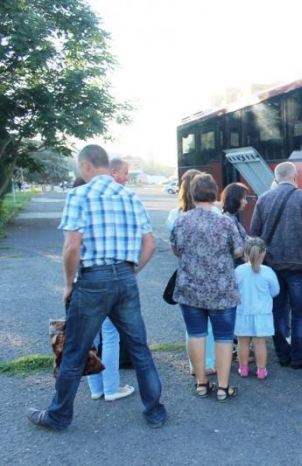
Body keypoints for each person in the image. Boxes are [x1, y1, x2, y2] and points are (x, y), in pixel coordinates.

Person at [27, 144, 166, 430]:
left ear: (87, 165)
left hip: (92, 281)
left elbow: (71, 247)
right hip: (125, 279)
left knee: (75, 352)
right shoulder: (130, 196)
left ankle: (58, 416)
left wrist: (68, 284)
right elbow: (149, 245)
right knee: (140, 349)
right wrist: (129, 270)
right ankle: (154, 411)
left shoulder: (79, 195)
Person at [171, 173, 244, 402]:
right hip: (221, 288)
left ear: (192, 195)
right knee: (223, 337)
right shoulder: (225, 221)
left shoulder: (182, 220)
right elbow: (239, 251)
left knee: (196, 334)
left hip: (190, 287)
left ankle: (201, 382)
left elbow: (176, 249)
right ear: (215, 195)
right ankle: (223, 387)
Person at [250, 161, 302, 369]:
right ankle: (299, 356)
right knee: (299, 312)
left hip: (272, 265)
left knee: (277, 310)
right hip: (300, 265)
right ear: (295, 176)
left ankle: (282, 354)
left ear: (276, 177)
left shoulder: (263, 199)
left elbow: (255, 234)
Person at [86, 157, 135, 402]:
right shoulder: (123, 199)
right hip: (113, 277)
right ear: (114, 172)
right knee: (111, 335)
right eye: (125, 173)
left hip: (86, 279)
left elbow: (71, 247)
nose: (127, 178)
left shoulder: (81, 197)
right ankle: (112, 388)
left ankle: (95, 388)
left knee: (90, 335)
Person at [167, 169, 218, 376]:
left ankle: (194, 366)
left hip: (187, 275)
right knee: (212, 325)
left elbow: (176, 249)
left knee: (193, 327)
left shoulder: (175, 215)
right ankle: (210, 362)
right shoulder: (215, 213)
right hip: (213, 276)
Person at [235, 237, 280, 380]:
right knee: (260, 343)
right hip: (262, 313)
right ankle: (261, 371)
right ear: (264, 253)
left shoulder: (239, 271)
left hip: (242, 312)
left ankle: (243, 369)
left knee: (243, 342)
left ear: (245, 253)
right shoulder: (268, 272)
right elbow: (275, 291)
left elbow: (233, 289)